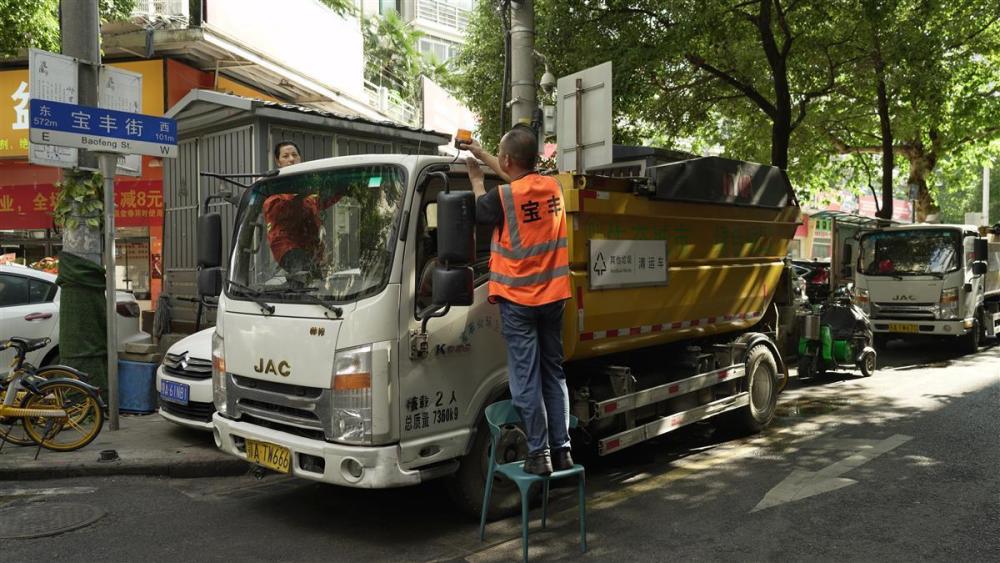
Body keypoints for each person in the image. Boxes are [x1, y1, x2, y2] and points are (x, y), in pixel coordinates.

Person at [462, 126, 573, 475]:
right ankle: (563, 449)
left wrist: (476, 178)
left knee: (525, 378)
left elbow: (483, 207)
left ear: (508, 160)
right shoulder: (552, 187)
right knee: (553, 374)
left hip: (520, 300)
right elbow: (517, 178)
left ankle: (538, 453)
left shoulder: (502, 197)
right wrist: (481, 153)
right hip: (554, 297)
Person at [263, 142, 338, 277]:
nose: (291, 159)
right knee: (303, 277)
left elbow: (325, 198)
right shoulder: (273, 193)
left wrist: (345, 188)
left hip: (313, 255)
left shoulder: (310, 195)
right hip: (289, 252)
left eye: (294, 155)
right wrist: (300, 194)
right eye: (285, 156)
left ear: (300, 158)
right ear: (278, 162)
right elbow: (283, 211)